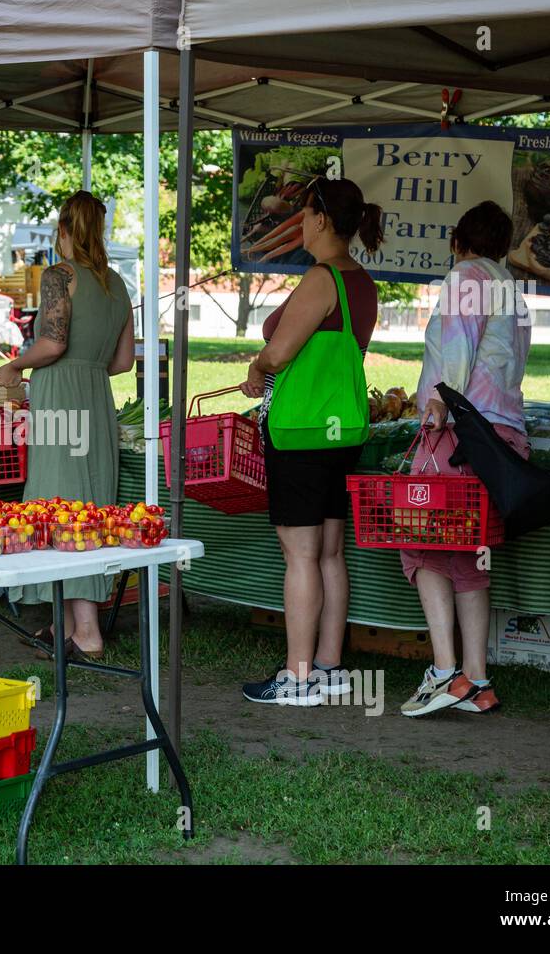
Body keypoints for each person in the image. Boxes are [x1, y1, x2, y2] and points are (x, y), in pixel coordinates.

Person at [238, 177, 382, 706]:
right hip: (342, 430)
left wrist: (257, 369)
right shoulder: (362, 281)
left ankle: (297, 678)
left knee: (299, 555)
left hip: (301, 432)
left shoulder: (321, 278)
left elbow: (278, 353)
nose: (297, 222)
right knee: (329, 553)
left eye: (302, 213)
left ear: (321, 219)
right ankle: (328, 668)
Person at [398, 201, 531, 718]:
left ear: (458, 241)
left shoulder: (466, 275)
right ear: (503, 245)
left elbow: (455, 349)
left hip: (459, 432)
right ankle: (477, 680)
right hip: (502, 436)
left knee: (417, 540)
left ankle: (444, 672)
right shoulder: (513, 288)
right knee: (468, 552)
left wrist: (436, 403)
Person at [0, 191, 134, 659]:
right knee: (90, 504)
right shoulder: (117, 284)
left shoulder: (60, 275)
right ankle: (67, 626)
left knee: (61, 505)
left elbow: (52, 343)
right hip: (97, 397)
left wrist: (14, 366)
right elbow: (123, 362)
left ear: (64, 230)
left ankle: (87, 632)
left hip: (60, 396)